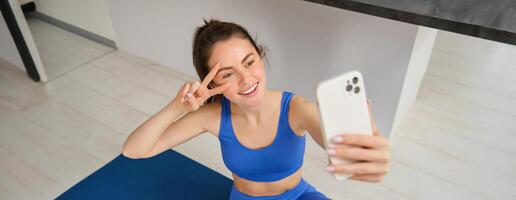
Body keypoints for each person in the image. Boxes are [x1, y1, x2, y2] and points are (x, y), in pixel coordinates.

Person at [122, 19, 390, 200]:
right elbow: (134, 150)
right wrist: (177, 106)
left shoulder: (295, 108)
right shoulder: (212, 117)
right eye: (227, 74)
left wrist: (364, 155)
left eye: (249, 62)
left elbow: (345, 151)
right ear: (211, 82)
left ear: (260, 56)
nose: (246, 78)